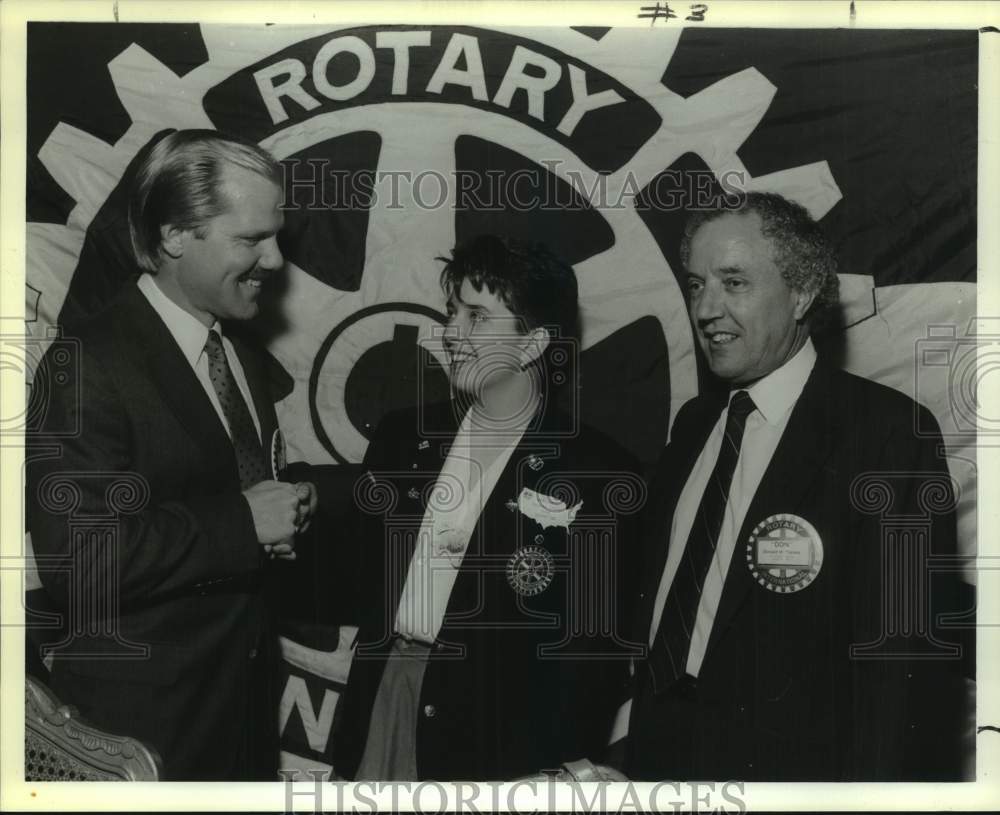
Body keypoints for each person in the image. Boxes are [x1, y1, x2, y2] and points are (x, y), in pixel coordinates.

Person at [626, 192, 967, 781]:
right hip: (659, 760)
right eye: (695, 284)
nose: (706, 308)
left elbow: (902, 674)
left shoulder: (883, 434)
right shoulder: (693, 427)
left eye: (734, 282)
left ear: (803, 293)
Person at [26, 129, 317, 780]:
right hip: (142, 744)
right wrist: (245, 522)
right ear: (175, 236)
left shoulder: (238, 351)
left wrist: (288, 502)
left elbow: (212, 481)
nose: (274, 261)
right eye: (252, 239)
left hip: (238, 730)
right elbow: (81, 559)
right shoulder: (87, 365)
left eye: (276, 236)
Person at [332, 235, 644, 780]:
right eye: (453, 312)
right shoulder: (401, 437)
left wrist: (552, 762)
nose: (451, 333)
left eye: (478, 317)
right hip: (382, 700)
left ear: (533, 344)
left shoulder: (598, 469)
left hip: (499, 736)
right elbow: (358, 575)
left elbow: (592, 647)